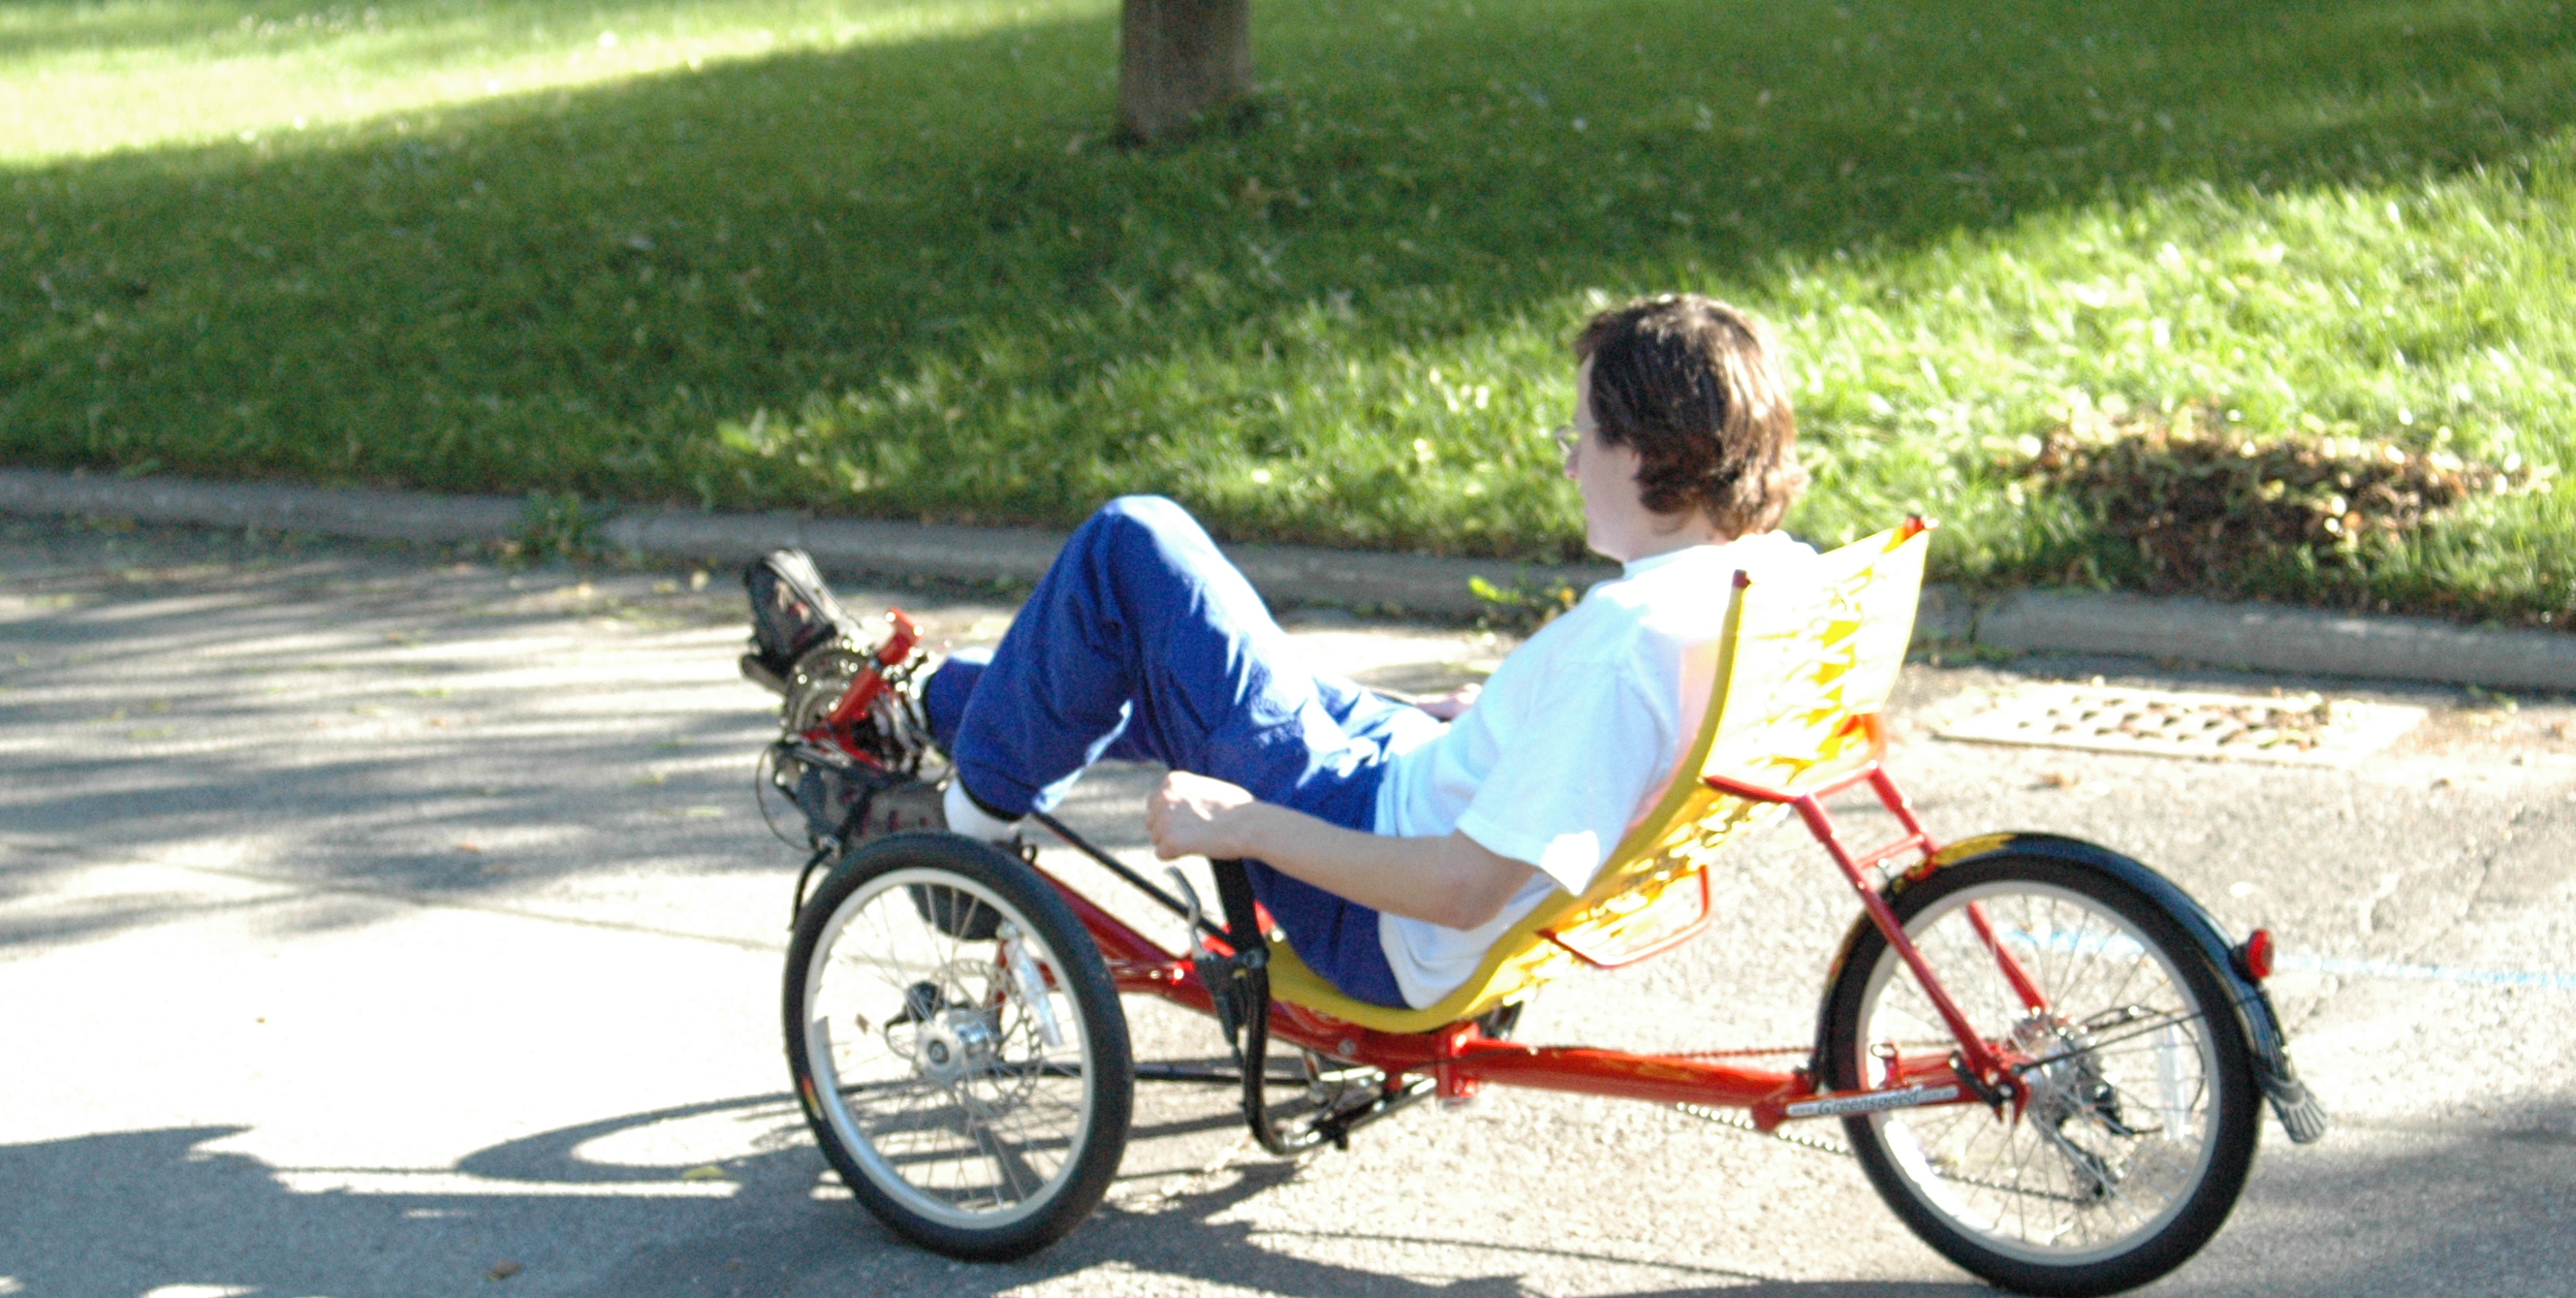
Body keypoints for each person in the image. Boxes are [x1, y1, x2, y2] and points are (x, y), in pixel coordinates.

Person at [754, 294, 1814, 1013]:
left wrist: (1244, 824)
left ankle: (958, 830)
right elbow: (1594, 758)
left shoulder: (1621, 649)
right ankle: (909, 702)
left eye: (1581, 435)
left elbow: (1459, 889)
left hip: (1379, 903)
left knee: (1134, 542)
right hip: (1413, 780)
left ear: (1646, 453)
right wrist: (1501, 726)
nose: (1570, 461)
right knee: (1157, 650)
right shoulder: (1763, 575)